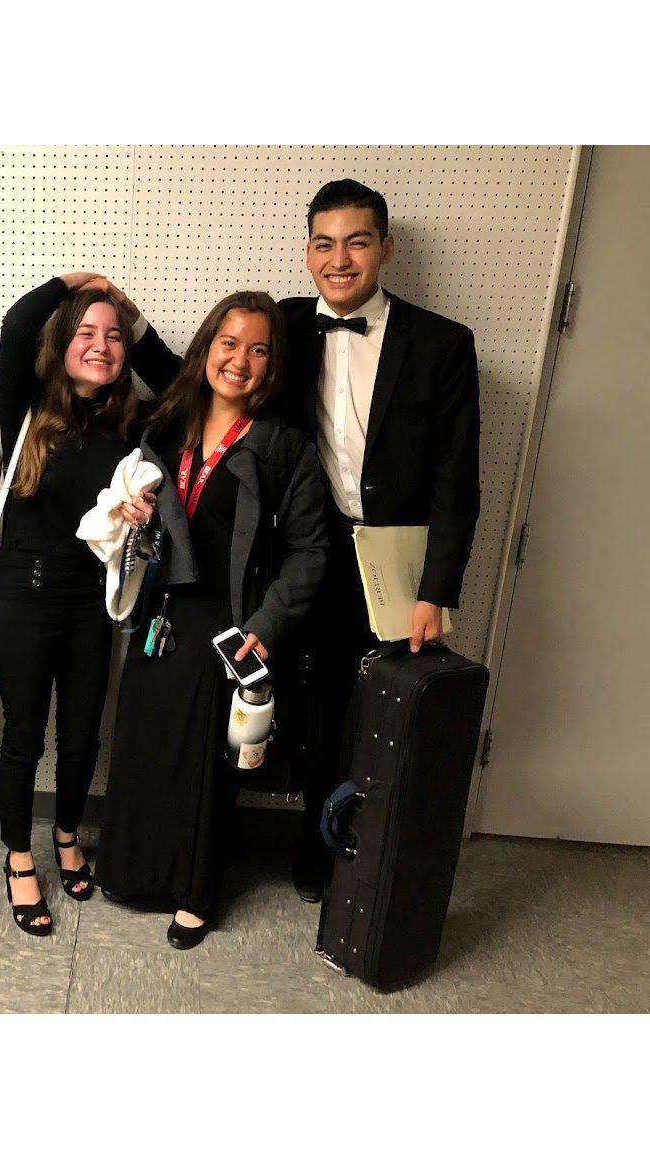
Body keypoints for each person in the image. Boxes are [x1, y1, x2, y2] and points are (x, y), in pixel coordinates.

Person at [91, 284, 329, 949]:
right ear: (204, 349)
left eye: (258, 350)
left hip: (230, 626)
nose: (240, 361)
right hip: (157, 614)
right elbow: (130, 505)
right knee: (143, 748)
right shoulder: (163, 425)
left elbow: (311, 551)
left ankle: (194, 893)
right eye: (228, 344)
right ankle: (131, 872)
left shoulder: (284, 446)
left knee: (205, 764)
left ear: (273, 364)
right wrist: (129, 509)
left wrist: (266, 624)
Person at [279, 179, 481, 902]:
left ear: (385, 249)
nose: (340, 259)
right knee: (315, 705)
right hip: (309, 553)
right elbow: (209, 379)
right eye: (324, 243)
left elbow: (457, 482)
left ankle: (371, 852)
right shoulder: (284, 326)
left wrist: (435, 591)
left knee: (386, 713)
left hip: (394, 564)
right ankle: (314, 841)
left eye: (357, 241)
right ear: (306, 253)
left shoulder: (441, 344)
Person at [0, 273, 157, 936]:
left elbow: (180, 376)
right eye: (85, 333)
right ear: (60, 343)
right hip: (23, 594)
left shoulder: (134, 421)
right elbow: (12, 328)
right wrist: (74, 284)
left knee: (83, 732)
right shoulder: (25, 408)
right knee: (24, 733)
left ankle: (65, 834)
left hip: (94, 598)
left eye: (113, 337)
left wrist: (131, 319)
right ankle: (18, 856)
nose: (102, 344)